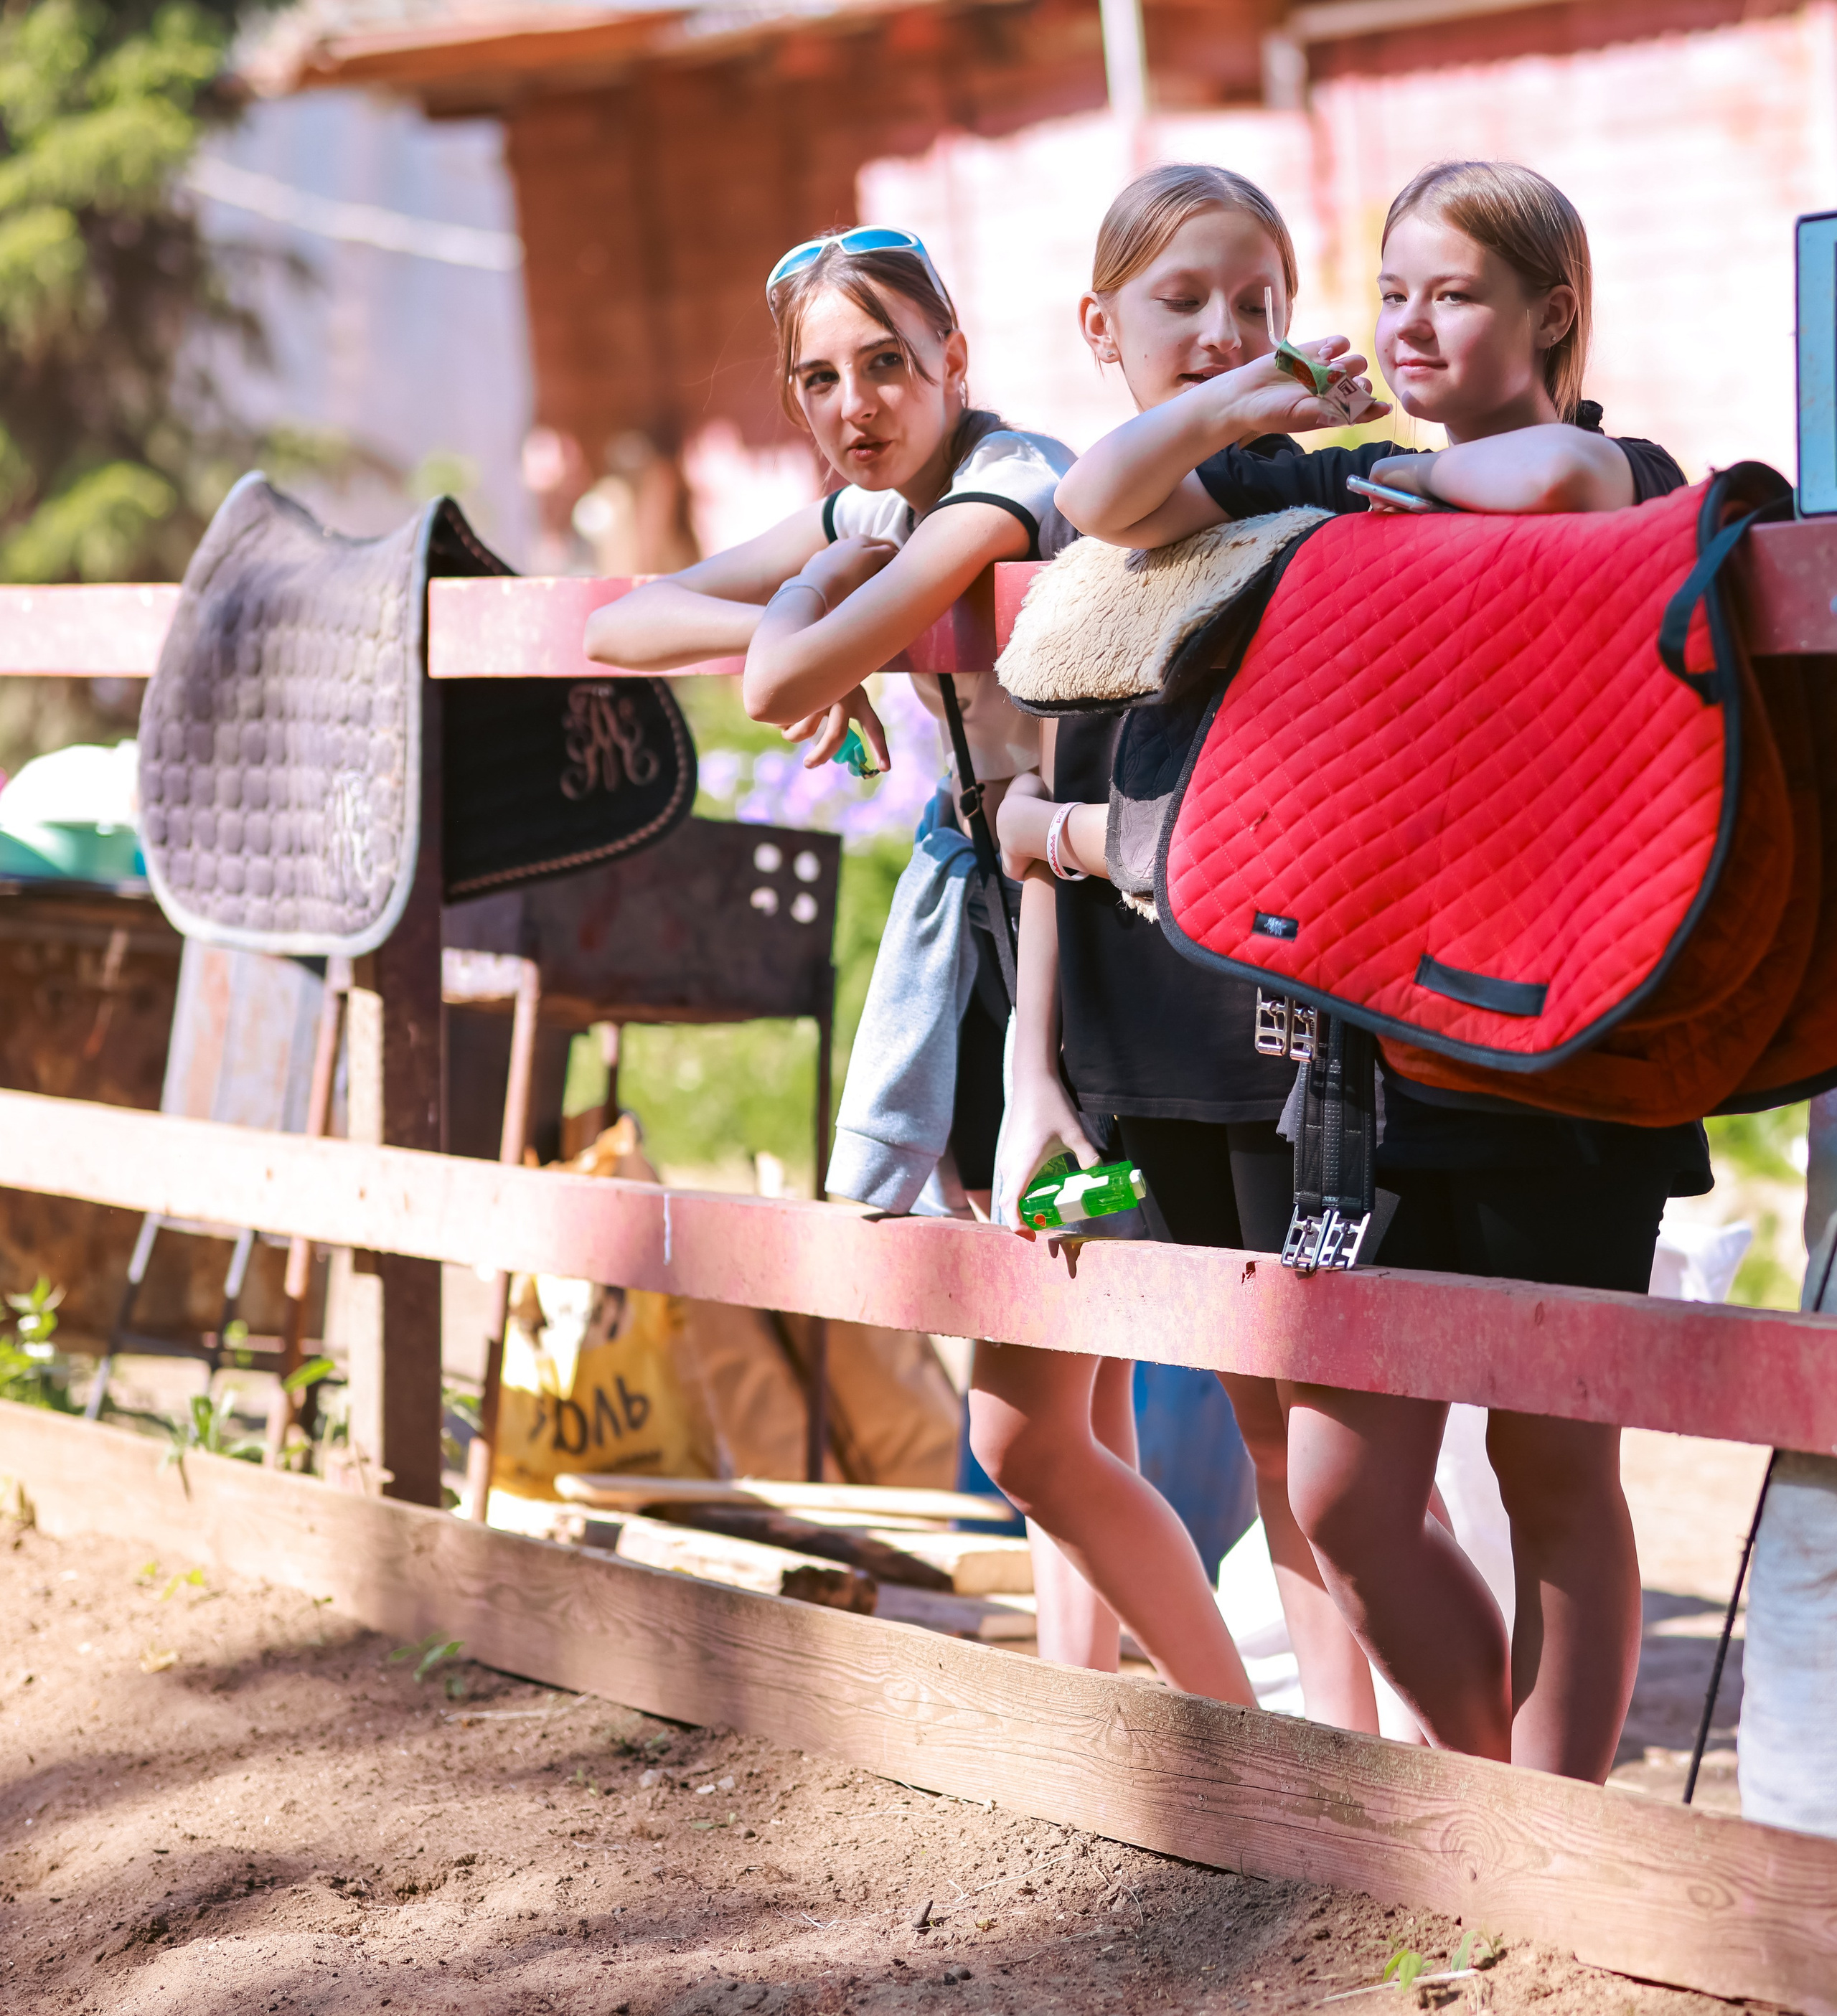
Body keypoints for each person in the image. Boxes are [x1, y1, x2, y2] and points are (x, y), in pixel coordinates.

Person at [1056, 159, 1706, 1779]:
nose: (1409, 324)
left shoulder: (1620, 468)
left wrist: (1377, 484)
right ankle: (1498, 1807)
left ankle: (1553, 1837)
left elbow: (1562, 474)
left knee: (1555, 1466)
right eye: (1392, 291)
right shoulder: (1338, 486)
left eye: (1454, 293)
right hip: (1377, 1056)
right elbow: (1104, 500)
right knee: (1344, 1489)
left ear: (1549, 314)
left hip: (1574, 1042)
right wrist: (1250, 409)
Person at [977, 164, 1386, 1711]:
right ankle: (1231, 1733)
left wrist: (1256, 401)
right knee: (1050, 1419)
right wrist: (1030, 1071)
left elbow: (1119, 488)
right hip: (1112, 1048)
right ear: (1100, 325)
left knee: (1284, 1424)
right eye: (1183, 300)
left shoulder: (1294, 497)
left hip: (1263, 1044)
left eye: (1257, 304)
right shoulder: (1077, 567)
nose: (1224, 331)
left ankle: (1336, 1769)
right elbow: (1039, 822)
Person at [586, 226, 1074, 1217]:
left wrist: (819, 625)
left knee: (1077, 1244)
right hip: (991, 891)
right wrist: (823, 635)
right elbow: (618, 626)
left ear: (953, 357)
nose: (854, 405)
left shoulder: (1009, 484)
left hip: (1078, 900)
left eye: (886, 362)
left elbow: (774, 688)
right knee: (1013, 1242)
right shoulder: (874, 511)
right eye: (819, 379)